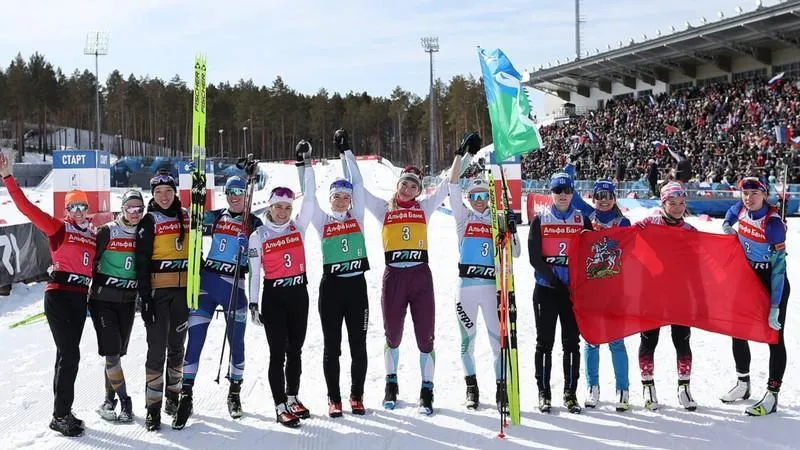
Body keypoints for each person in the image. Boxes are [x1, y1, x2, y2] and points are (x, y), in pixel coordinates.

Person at [0, 152, 94, 437]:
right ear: (67, 210)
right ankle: (60, 414)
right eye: (73, 207)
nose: (78, 211)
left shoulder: (92, 235)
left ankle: (62, 411)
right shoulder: (59, 228)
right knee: (70, 355)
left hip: (79, 298)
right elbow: (27, 208)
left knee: (65, 356)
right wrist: (7, 177)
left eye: (82, 206)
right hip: (60, 296)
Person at [363, 153, 450, 416]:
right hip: (395, 277)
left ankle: (427, 389)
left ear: (419, 190)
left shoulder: (424, 208)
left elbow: (448, 182)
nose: (409, 189)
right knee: (393, 335)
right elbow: (360, 189)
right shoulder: (383, 208)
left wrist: (463, 154)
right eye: (405, 184)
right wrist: (345, 153)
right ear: (398, 184)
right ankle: (391, 384)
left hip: (420, 276)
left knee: (426, 336)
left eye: (414, 186)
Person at [174, 172, 262, 429]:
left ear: (246, 196)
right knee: (195, 340)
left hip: (235, 285)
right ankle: (186, 395)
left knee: (237, 342)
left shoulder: (254, 222)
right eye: (231, 193)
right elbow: (193, 218)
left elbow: (261, 258)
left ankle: (234, 392)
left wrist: (250, 247)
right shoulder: (217, 216)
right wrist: (195, 186)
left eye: (239, 193)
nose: (235, 198)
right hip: (207, 283)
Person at [447, 132, 520, 411]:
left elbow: (516, 252)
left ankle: (501, 387)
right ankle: (471, 387)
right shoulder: (462, 218)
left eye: (482, 195)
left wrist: (511, 230)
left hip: (491, 287)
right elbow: (452, 184)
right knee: (467, 340)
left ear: (489, 197)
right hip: (466, 286)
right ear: (468, 198)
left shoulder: (495, 219)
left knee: (495, 339)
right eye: (474, 196)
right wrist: (460, 154)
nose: (478, 200)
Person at [301, 129, 371, 418]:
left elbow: (359, 182)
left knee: (358, 345)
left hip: (356, 288)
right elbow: (308, 199)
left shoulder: (357, 216)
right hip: (331, 290)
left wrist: (347, 152)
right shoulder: (322, 219)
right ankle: (334, 398)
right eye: (337, 197)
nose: (342, 200)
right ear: (331, 200)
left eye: (345, 196)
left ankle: (356, 395)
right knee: (333, 347)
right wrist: (305, 164)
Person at [248, 141, 315, 428]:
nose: (283, 212)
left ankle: (292, 396)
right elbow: (253, 271)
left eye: (287, 207)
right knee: (278, 353)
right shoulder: (258, 235)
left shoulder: (298, 227)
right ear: (270, 207)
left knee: (295, 351)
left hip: (299, 293)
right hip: (274, 297)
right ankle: (279, 406)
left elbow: (310, 198)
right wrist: (253, 302)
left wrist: (306, 164)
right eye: (278, 207)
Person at [719, 177, 789, 416]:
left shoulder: (773, 224)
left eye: (754, 193)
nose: (748, 198)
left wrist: (775, 305)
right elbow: (731, 212)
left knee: (774, 337)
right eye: (745, 193)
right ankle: (743, 384)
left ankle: (772, 395)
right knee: (738, 331)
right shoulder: (742, 207)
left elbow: (780, 268)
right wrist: (728, 225)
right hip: (747, 278)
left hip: (771, 281)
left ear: (764, 194)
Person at [564, 174, 632, 412]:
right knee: (591, 340)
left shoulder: (623, 223)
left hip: (614, 290)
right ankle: (592, 387)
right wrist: (571, 163)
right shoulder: (586, 217)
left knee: (616, 341)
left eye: (608, 196)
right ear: (593, 198)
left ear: (614, 198)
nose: (603, 201)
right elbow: (567, 190)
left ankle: (623, 389)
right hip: (591, 289)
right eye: (599, 196)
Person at [528, 171, 593, 414]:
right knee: (544, 343)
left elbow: (591, 254)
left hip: (573, 293)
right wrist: (554, 280)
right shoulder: (540, 219)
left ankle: (570, 392)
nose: (562, 195)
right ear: (551, 193)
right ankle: (544, 392)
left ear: (573, 193)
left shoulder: (582, 220)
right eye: (558, 191)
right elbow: (535, 257)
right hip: (547, 289)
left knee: (571, 344)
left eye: (567, 191)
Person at [135, 170, 190, 431]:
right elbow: (141, 261)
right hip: (158, 294)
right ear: (153, 195)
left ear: (175, 192)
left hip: (182, 294)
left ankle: (173, 398)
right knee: (157, 351)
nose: (164, 196)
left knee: (177, 348)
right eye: (158, 192)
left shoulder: (187, 216)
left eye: (168, 191)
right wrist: (144, 298)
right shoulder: (149, 220)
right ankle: (152, 407)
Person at [636, 181, 697, 411]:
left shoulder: (690, 231)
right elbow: (627, 235)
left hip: (680, 295)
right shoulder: (650, 222)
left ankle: (684, 387)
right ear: (663, 203)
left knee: (682, 340)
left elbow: (699, 265)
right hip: (651, 293)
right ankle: (648, 386)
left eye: (682, 203)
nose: (678, 207)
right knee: (649, 341)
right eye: (672, 203)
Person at [92, 189, 145, 424]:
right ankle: (125, 400)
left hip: (127, 302)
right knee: (111, 352)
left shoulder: (145, 234)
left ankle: (108, 399)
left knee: (117, 355)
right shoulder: (108, 231)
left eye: (139, 209)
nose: (134, 213)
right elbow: (87, 258)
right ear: (122, 209)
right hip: (103, 301)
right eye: (130, 208)